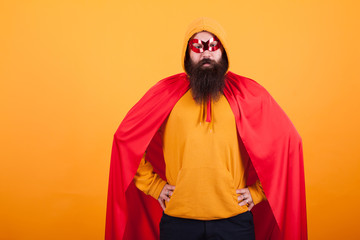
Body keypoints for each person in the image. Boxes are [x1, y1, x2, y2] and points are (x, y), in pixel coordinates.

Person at [105, 17, 307, 240]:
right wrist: (154, 187)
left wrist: (258, 192)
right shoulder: (167, 93)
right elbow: (126, 140)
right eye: (197, 47)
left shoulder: (247, 93)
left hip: (235, 221)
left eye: (213, 46)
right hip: (178, 221)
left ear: (223, 53)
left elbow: (286, 144)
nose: (206, 53)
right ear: (187, 54)